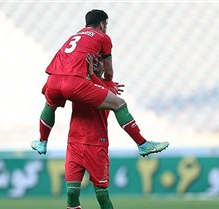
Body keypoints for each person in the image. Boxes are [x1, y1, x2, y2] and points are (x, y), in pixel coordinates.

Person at [31, 9, 169, 157]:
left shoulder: (73, 37)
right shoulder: (103, 37)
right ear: (102, 24)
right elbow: (109, 73)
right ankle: (142, 144)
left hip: (53, 80)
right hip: (75, 83)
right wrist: (108, 83)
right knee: (119, 104)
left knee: (49, 106)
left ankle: (42, 142)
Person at [65, 54, 120, 209]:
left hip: (97, 146)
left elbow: (104, 93)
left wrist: (92, 76)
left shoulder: (111, 87)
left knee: (102, 195)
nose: (94, 63)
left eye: (98, 61)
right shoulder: (77, 82)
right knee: (71, 193)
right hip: (75, 144)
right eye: (91, 60)